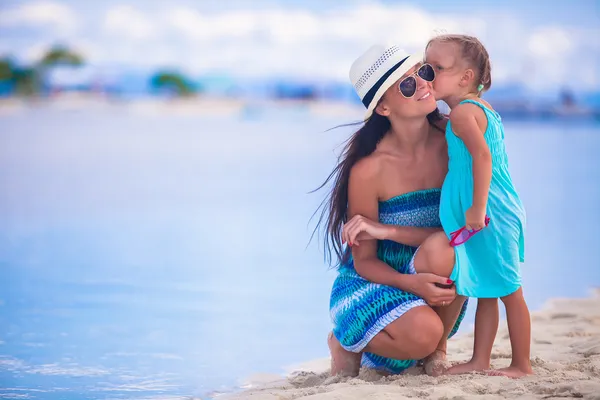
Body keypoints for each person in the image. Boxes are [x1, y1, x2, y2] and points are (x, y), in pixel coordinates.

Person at [314, 44, 468, 376]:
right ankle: (345, 341)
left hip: (433, 270)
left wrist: (387, 230)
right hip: (373, 284)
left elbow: (464, 230)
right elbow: (364, 260)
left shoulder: (455, 140)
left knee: (450, 246)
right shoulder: (369, 171)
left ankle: (436, 353)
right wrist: (409, 284)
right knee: (422, 333)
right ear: (383, 107)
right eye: (407, 84)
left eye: (423, 73)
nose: (424, 84)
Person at [422, 34, 532, 378]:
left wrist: (475, 208)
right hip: (493, 209)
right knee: (487, 287)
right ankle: (480, 360)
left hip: (490, 213)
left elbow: (482, 158)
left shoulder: (462, 115)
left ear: (466, 77)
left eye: (436, 69)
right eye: (425, 68)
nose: (427, 76)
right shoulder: (476, 109)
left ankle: (522, 364)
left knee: (510, 291)